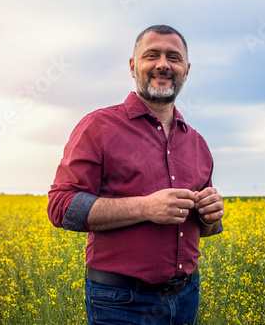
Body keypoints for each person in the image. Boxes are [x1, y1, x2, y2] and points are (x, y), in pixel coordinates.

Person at [48, 24, 224, 325]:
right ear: (133, 66)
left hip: (186, 296)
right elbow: (61, 207)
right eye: (151, 55)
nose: (163, 65)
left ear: (186, 69)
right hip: (121, 302)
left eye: (174, 57)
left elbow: (206, 229)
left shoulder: (197, 143)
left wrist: (211, 216)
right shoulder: (98, 127)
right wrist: (145, 207)